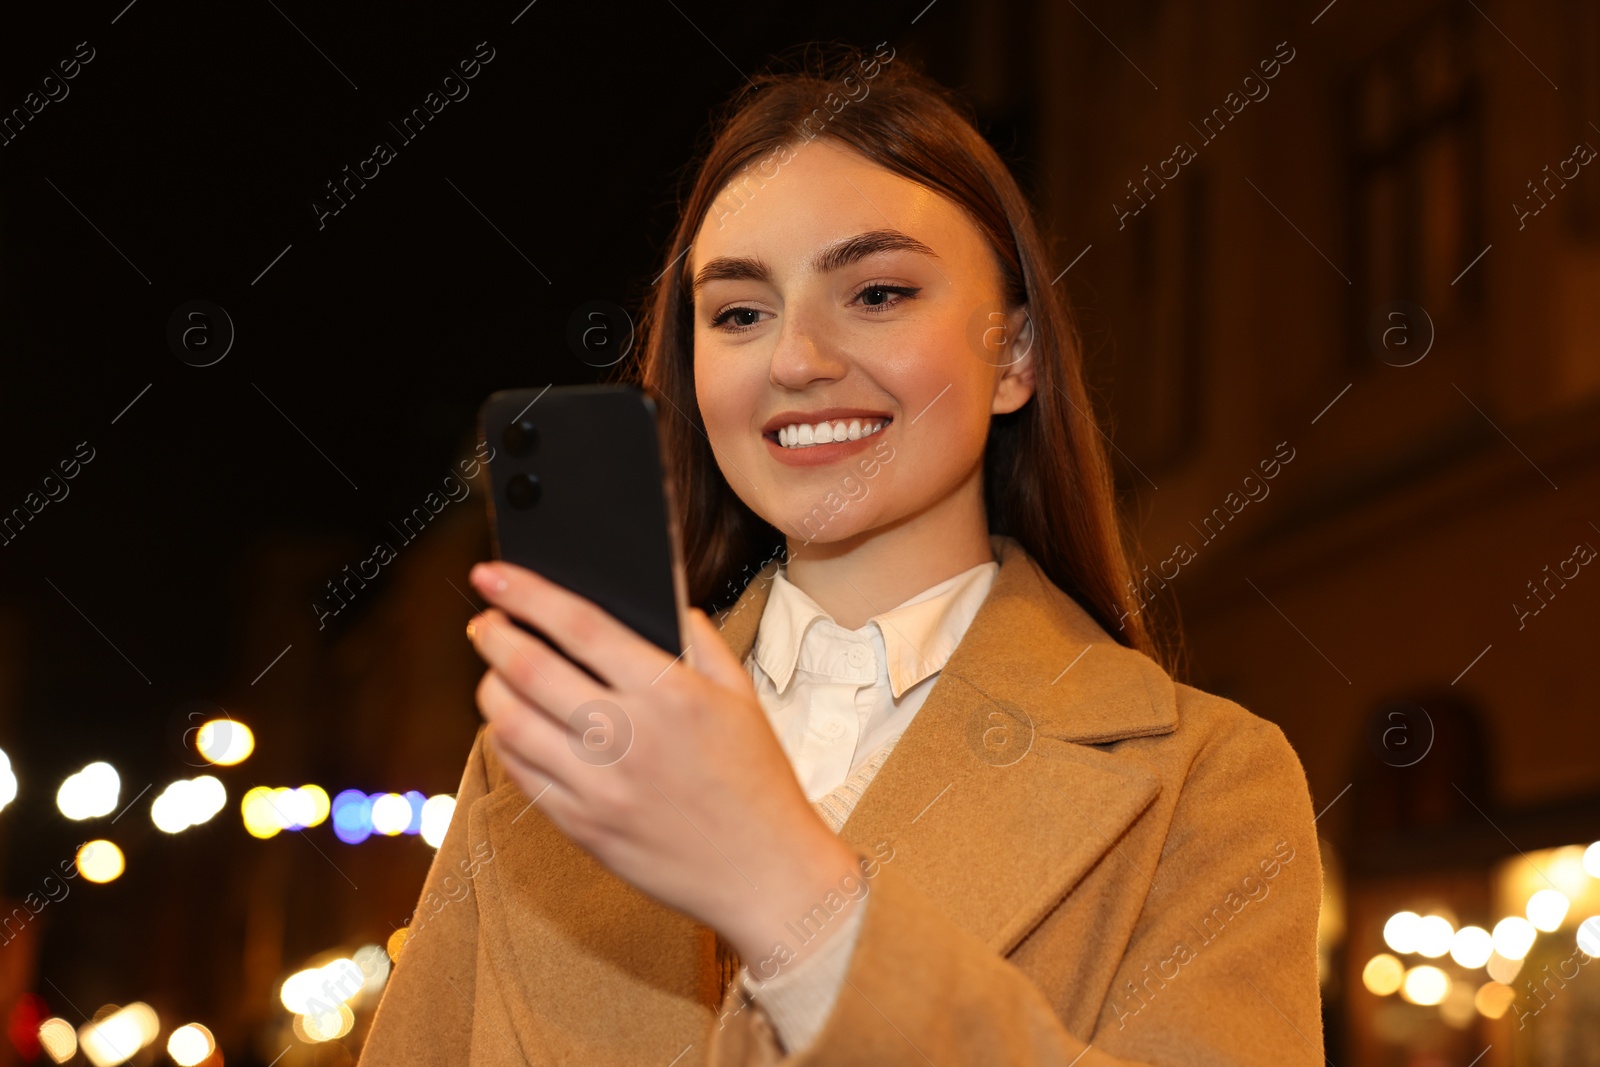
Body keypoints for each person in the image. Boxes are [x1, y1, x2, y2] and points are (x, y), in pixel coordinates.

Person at [358, 45, 1323, 1066]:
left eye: (876, 294)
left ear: (1015, 355)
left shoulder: (1206, 780)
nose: (796, 358)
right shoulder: (539, 756)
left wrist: (786, 892)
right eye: (739, 311)